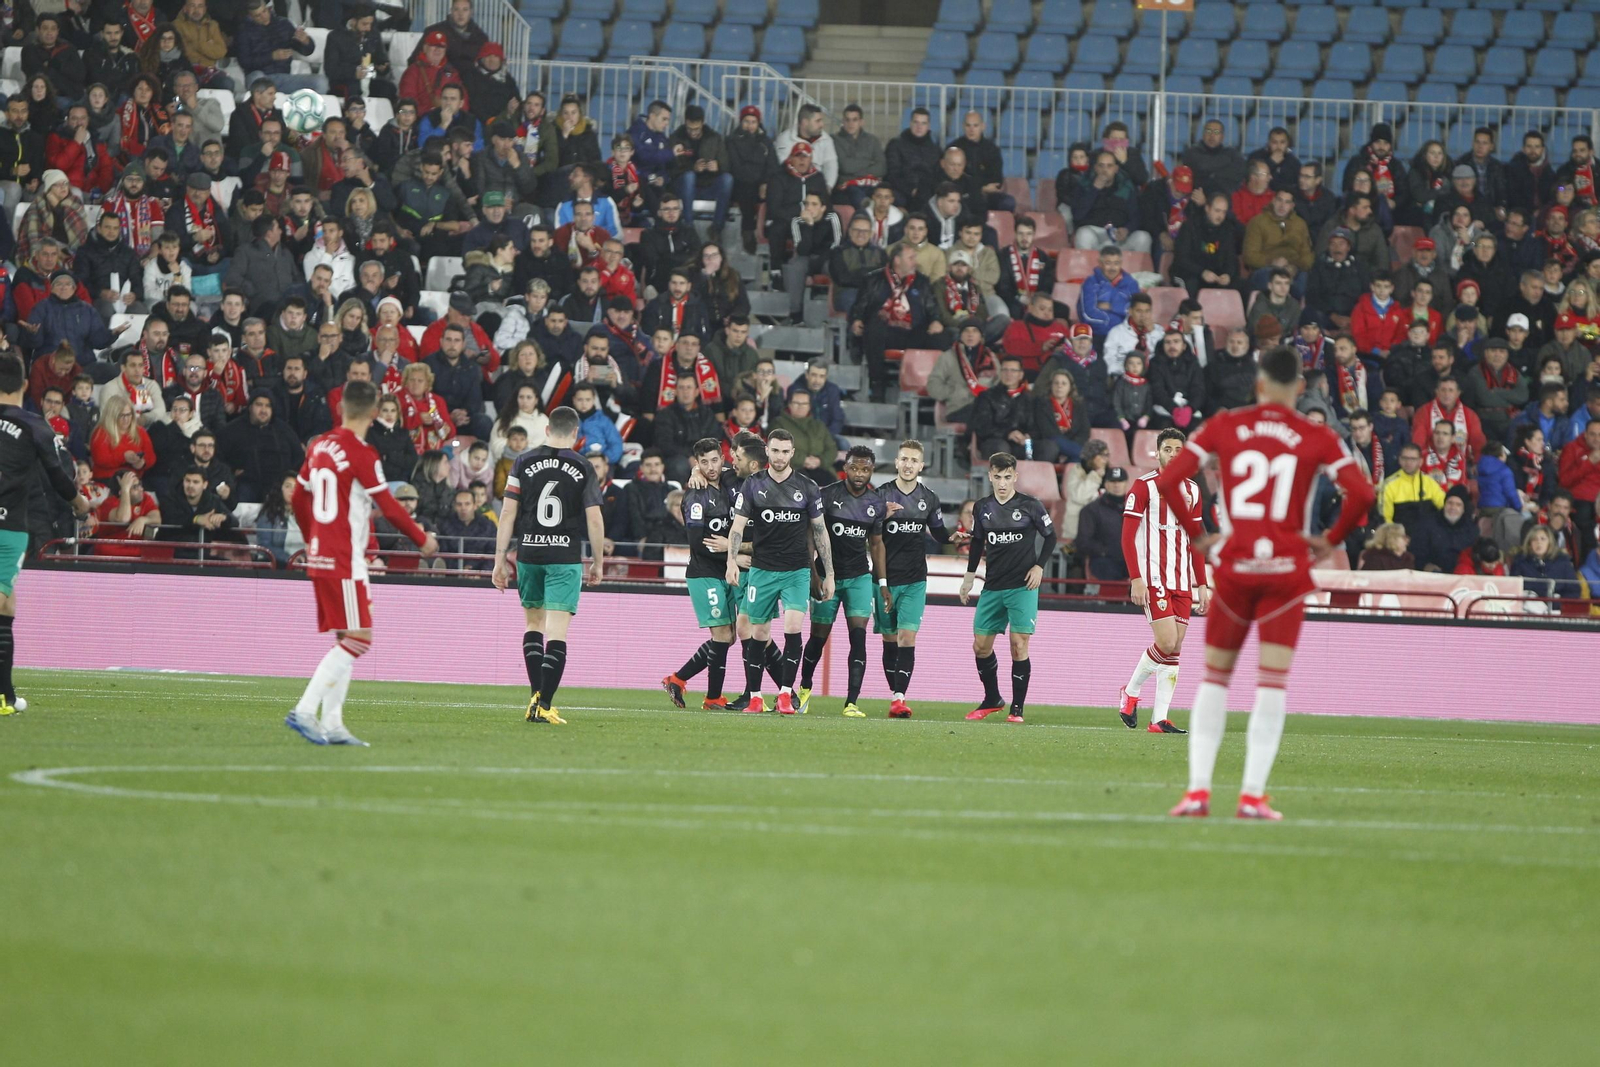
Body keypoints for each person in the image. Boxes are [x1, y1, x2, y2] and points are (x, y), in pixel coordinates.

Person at [1155, 344, 1376, 820]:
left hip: (1234, 568)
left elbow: (1171, 480)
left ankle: (1197, 792)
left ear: (1258, 385)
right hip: (1284, 573)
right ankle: (1252, 795)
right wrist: (1329, 539)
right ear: (1300, 388)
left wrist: (1199, 539)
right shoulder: (1315, 435)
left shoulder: (1225, 425)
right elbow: (1362, 491)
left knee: (1215, 680)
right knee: (1271, 683)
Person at [284, 378, 436, 745]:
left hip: (322, 554)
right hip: (344, 558)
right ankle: (305, 710)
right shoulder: (361, 453)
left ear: (340, 408)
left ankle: (333, 725)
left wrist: (311, 537)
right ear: (372, 413)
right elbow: (389, 506)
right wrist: (421, 539)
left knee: (345, 636)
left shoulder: (319, 445)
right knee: (359, 638)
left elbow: (299, 498)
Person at [492, 405, 607, 724]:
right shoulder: (583, 466)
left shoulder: (522, 461)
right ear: (575, 433)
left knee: (533, 625)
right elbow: (594, 519)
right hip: (564, 556)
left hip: (529, 553)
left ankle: (534, 699)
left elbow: (507, 514)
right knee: (557, 633)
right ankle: (543, 705)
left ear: (546, 430)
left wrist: (500, 560)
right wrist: (597, 561)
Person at [724, 429, 830, 715]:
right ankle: (756, 697)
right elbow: (737, 527)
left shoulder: (807, 487)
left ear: (792, 453)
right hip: (762, 569)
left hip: (796, 569)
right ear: (767, 452)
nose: (780, 456)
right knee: (759, 631)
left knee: (793, 627)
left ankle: (785, 695)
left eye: (785, 451)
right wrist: (731, 562)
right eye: (775, 451)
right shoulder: (753, 485)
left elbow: (820, 531)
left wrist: (828, 573)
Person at [0, 354, 84, 710]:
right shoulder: (34, 425)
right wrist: (79, 504)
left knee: (6, 601)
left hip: (11, 527)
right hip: (9, 528)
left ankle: (5, 694)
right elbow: (59, 473)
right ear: (23, 386)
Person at [1116, 428, 1209, 734]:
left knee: (1175, 647)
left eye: (1178, 450)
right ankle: (1130, 692)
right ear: (1158, 453)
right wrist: (1136, 578)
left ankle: (1159, 719)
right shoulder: (1143, 487)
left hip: (1182, 578)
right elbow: (1128, 536)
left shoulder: (1194, 491)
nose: (1173, 454)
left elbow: (1197, 539)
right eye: (1167, 449)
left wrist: (1202, 583)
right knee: (1166, 642)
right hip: (1154, 577)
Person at [784, 445, 887, 718]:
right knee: (817, 639)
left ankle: (851, 702)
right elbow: (810, 534)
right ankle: (805, 688)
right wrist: (813, 574)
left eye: (865, 469)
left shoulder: (875, 503)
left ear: (871, 470)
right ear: (846, 467)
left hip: (859, 579)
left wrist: (883, 581)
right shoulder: (827, 495)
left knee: (859, 639)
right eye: (854, 467)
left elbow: (876, 544)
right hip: (826, 577)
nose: (859, 473)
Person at [960, 452, 1056, 723]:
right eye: (997, 477)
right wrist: (969, 577)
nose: (1002, 483)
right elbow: (977, 542)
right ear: (990, 476)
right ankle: (993, 698)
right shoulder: (982, 507)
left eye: (1007, 477)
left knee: (1018, 644)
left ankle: (1017, 709)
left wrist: (1039, 566)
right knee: (980, 646)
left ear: (1015, 476)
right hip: (993, 586)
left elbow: (1051, 537)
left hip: (1022, 586)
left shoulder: (1031, 505)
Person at [662, 438, 747, 711]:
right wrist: (734, 556)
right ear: (696, 463)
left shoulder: (729, 482)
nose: (710, 467)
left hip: (725, 571)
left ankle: (677, 679)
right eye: (703, 462)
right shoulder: (696, 495)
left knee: (729, 636)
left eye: (714, 460)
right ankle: (712, 698)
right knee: (723, 636)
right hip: (704, 572)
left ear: (723, 459)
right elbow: (697, 543)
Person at [873, 440, 955, 718]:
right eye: (904, 459)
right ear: (896, 462)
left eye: (914, 460)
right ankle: (895, 695)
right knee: (889, 640)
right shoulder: (880, 495)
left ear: (922, 466)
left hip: (915, 579)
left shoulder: (929, 498)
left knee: (907, 637)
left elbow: (939, 531)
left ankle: (899, 698)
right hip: (884, 579)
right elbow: (867, 533)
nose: (908, 465)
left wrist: (954, 537)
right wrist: (880, 517)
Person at [848, 240, 943, 403]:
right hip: (885, 332)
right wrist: (856, 320)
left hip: (914, 332)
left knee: (944, 337)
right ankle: (877, 384)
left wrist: (936, 321)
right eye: (911, 258)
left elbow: (932, 307)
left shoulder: (922, 282)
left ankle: (934, 390)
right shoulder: (873, 280)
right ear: (897, 260)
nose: (915, 262)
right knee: (874, 327)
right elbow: (859, 307)